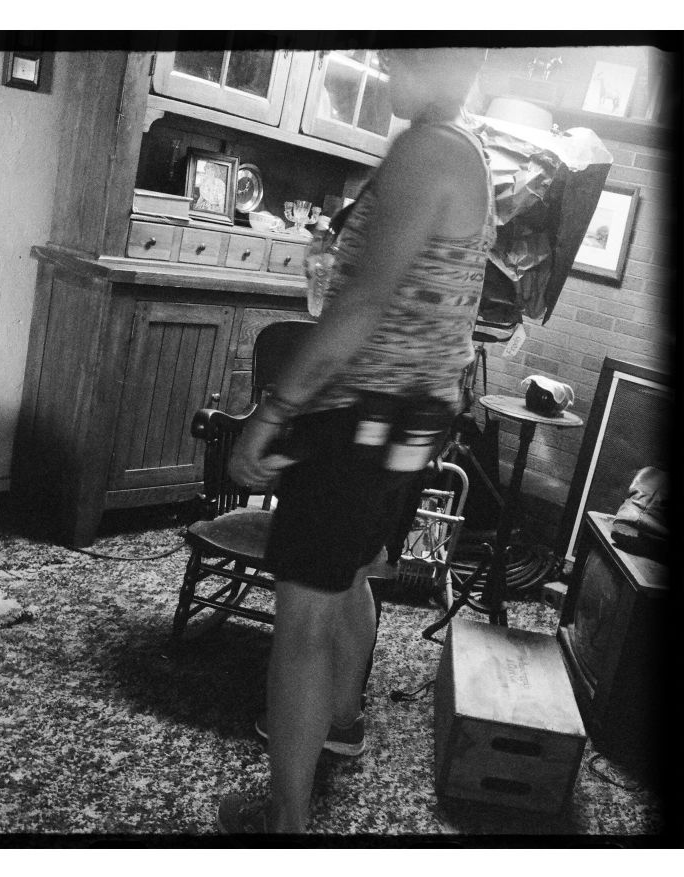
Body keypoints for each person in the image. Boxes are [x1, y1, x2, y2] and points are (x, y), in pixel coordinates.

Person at [218, 49, 492, 834]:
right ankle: (341, 721)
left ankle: (285, 822)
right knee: (353, 572)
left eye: (394, 54)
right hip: (411, 418)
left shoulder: (426, 150)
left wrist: (273, 411)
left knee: (302, 619)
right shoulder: (464, 148)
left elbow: (362, 305)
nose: (385, 66)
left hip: (359, 417)